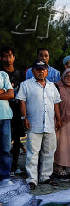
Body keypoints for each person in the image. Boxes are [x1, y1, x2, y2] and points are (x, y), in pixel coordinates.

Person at [17, 60, 62, 189]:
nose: (41, 71)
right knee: (33, 152)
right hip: (33, 123)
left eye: (43, 69)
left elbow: (56, 103)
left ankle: (45, 177)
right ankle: (32, 179)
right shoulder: (26, 85)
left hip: (49, 124)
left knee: (49, 151)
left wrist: (58, 119)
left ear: (47, 71)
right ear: (33, 71)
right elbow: (22, 102)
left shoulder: (52, 86)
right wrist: (24, 117)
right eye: (38, 69)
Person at [0, 47, 26, 175]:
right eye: (5, 56)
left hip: (16, 110)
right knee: (4, 141)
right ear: (1, 58)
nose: (7, 59)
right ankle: (4, 167)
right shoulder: (1, 74)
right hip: (3, 110)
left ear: (14, 58)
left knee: (17, 139)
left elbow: (21, 92)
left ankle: (14, 166)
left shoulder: (20, 74)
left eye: (10, 56)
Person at [0, 63, 14, 186]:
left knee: (5, 149)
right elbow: (6, 93)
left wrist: (5, 92)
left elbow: (10, 94)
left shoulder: (3, 74)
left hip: (4, 116)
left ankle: (5, 177)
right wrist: (2, 92)